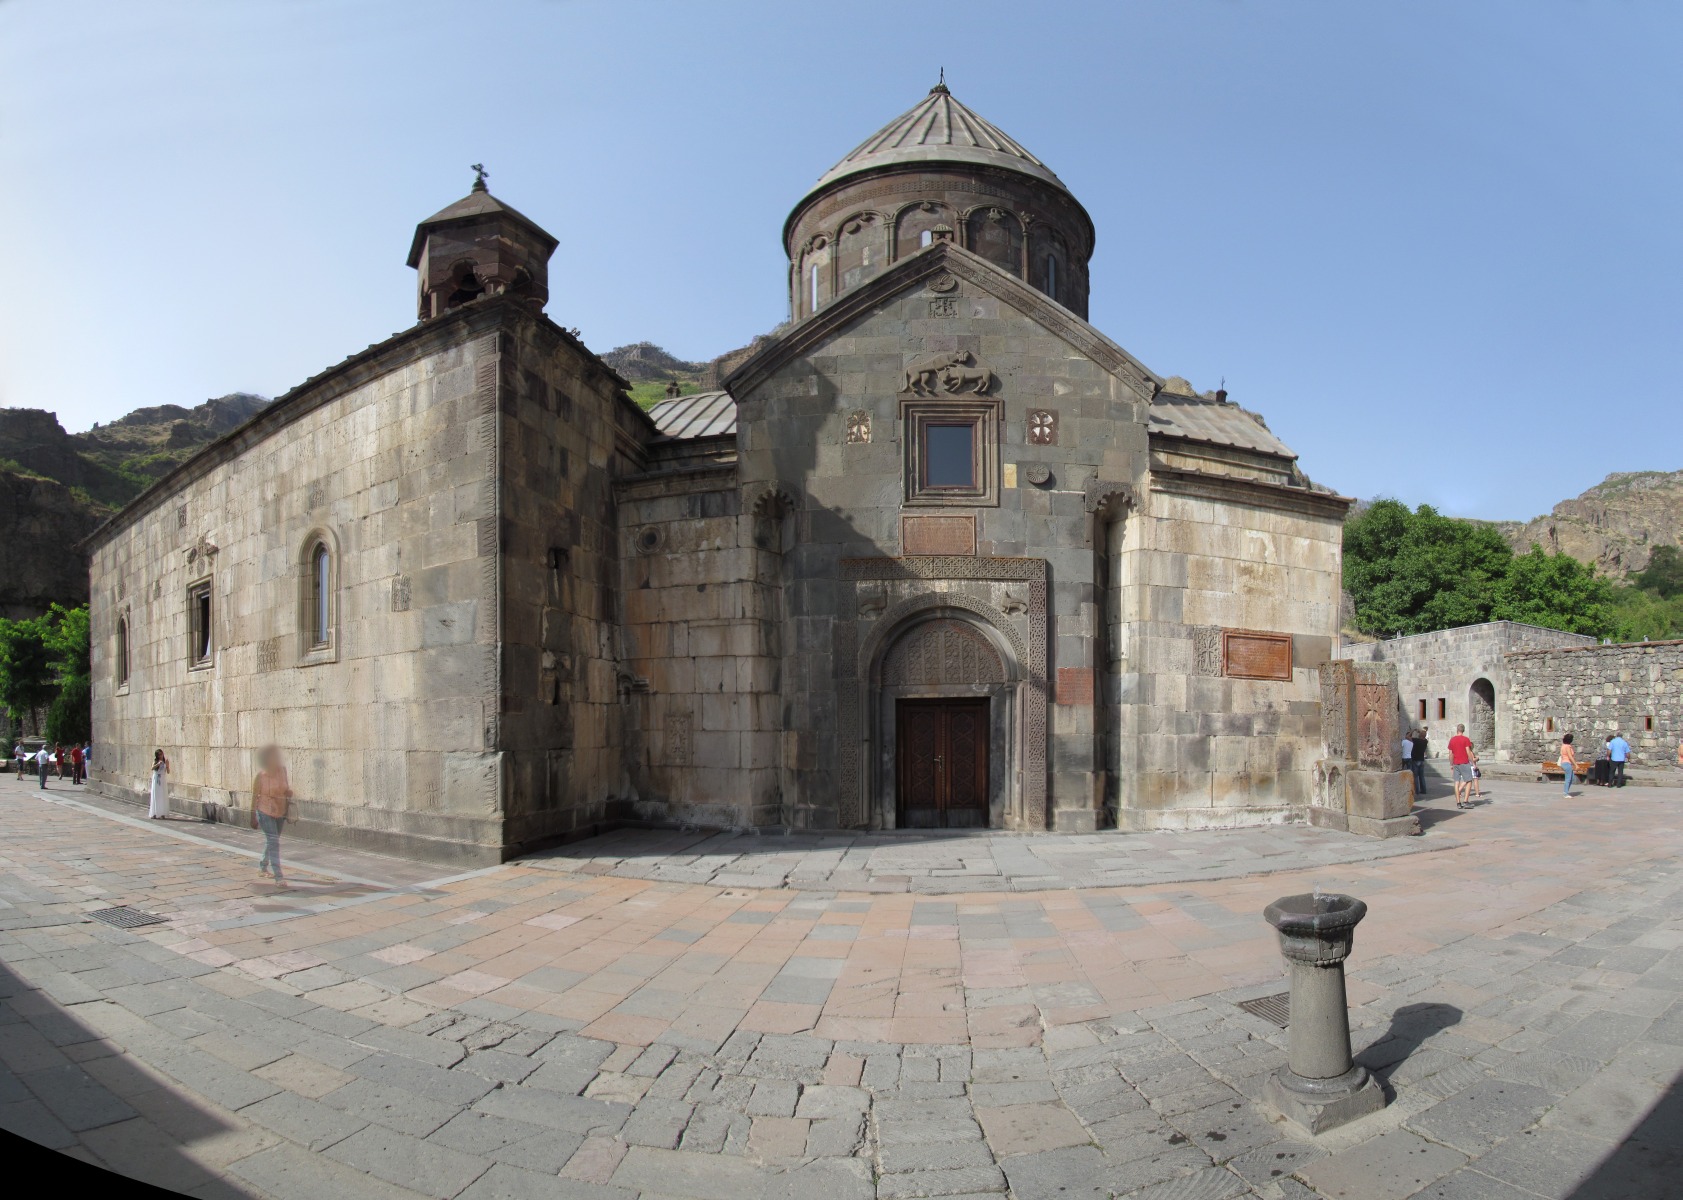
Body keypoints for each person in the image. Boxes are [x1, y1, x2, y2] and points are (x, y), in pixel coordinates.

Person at [251, 745, 293, 889]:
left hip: (280, 810)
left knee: (273, 840)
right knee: (274, 841)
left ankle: (263, 866)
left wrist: (288, 795)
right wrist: (252, 816)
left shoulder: (282, 771)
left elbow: (286, 788)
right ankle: (278, 876)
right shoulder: (261, 776)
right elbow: (254, 797)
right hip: (264, 811)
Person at [1448, 723, 1476, 808]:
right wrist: (1473, 762)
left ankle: (1458, 803)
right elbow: (1468, 751)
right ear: (1463, 730)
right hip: (1464, 762)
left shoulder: (1452, 740)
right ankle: (1465, 801)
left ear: (1457, 730)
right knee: (1469, 781)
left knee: (1456, 782)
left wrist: (1451, 764)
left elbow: (1450, 753)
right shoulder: (1466, 739)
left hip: (1456, 763)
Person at [148, 749, 170, 818]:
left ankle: (162, 813)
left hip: (162, 779)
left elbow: (168, 771)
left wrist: (167, 766)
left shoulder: (165, 761)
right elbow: (152, 768)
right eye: (159, 754)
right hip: (156, 778)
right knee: (156, 795)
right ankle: (155, 812)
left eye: (161, 754)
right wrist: (157, 764)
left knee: (162, 795)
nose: (161, 756)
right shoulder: (156, 761)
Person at [1558, 733, 1578, 797]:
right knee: (1568, 779)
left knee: (1572, 778)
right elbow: (1570, 756)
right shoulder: (1568, 746)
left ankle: (1566, 792)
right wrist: (1576, 765)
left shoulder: (1563, 746)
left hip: (1564, 763)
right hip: (1567, 763)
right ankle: (1565, 793)